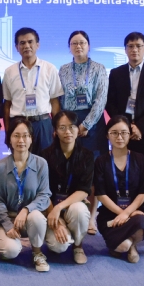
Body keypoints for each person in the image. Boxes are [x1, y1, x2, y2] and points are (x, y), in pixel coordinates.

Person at [106, 32, 144, 213]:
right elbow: (110, 102)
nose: (134, 50)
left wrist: (139, 127)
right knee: (121, 174)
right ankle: (121, 212)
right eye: (130, 46)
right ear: (125, 50)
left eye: (138, 46)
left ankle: (142, 214)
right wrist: (124, 126)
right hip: (121, 134)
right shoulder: (116, 73)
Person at [58, 31, 108, 235]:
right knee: (70, 170)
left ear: (89, 45)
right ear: (69, 46)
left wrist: (86, 125)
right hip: (69, 123)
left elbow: (101, 99)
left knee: (94, 172)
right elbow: (59, 99)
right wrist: (66, 125)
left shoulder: (99, 68)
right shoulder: (63, 69)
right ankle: (71, 213)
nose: (78, 46)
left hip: (93, 125)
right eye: (74, 43)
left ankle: (91, 216)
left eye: (82, 43)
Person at [0, 118, 52, 272]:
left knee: (37, 216)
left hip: (30, 217)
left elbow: (44, 195)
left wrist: (26, 210)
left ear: (31, 139)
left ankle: (37, 253)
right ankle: (8, 242)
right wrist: (7, 225)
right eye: (16, 135)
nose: (21, 140)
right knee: (10, 251)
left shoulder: (41, 163)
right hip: (7, 218)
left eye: (25, 135)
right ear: (9, 139)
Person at [94, 115, 144, 263]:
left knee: (141, 223)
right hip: (110, 215)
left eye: (124, 133)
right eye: (114, 133)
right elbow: (100, 194)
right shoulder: (101, 161)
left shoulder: (140, 159)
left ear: (130, 135)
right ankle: (127, 245)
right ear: (107, 135)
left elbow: (143, 193)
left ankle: (133, 246)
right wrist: (121, 214)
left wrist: (127, 213)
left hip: (133, 213)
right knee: (123, 246)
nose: (119, 137)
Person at [40, 111, 94, 265]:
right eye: (62, 127)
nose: (68, 132)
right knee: (59, 247)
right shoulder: (45, 156)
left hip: (71, 207)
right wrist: (56, 217)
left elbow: (84, 190)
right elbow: (42, 191)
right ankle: (61, 233)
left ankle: (78, 246)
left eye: (72, 127)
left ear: (78, 129)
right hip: (50, 208)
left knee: (79, 210)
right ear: (55, 131)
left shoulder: (87, 156)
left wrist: (60, 207)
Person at [3, 27, 64, 155]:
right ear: (17, 47)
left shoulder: (50, 69)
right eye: (22, 43)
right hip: (18, 124)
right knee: (21, 162)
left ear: (37, 45)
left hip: (43, 124)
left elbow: (54, 101)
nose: (26, 46)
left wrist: (56, 127)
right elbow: (7, 104)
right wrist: (8, 130)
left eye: (30, 42)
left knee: (46, 161)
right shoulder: (9, 72)